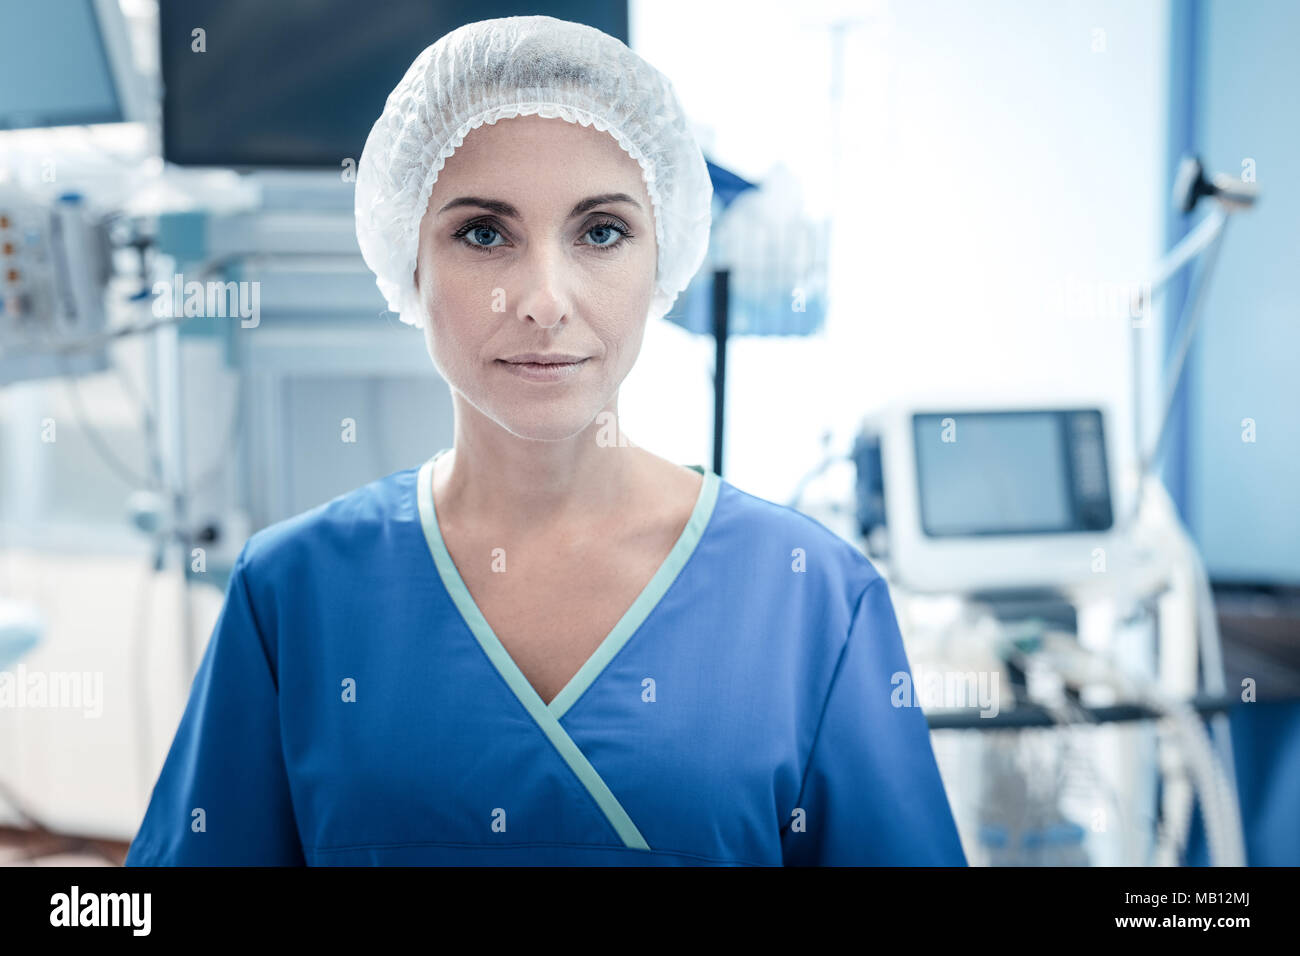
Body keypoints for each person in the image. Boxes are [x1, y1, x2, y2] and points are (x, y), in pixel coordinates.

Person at [124, 15, 967, 867]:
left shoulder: (811, 598)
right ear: (406, 260)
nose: (543, 301)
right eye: (484, 234)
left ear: (664, 254)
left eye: (601, 232)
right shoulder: (292, 594)